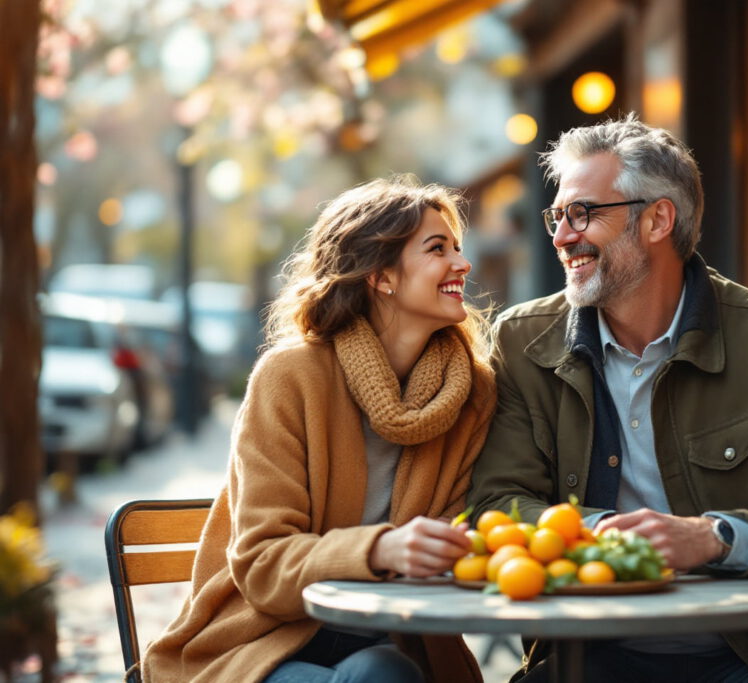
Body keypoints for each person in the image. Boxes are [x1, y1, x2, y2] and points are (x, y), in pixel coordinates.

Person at [468, 114, 748, 683]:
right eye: (557, 216)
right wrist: (606, 538)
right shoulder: (523, 341)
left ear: (658, 220)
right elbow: (496, 502)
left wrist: (712, 538)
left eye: (583, 213)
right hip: (591, 657)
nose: (562, 235)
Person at [143, 176, 496, 683]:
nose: (462, 264)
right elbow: (263, 564)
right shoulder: (290, 377)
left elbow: (460, 535)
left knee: (384, 670)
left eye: (458, 249)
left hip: (393, 639)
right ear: (380, 276)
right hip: (264, 642)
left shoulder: (469, 394)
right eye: (438, 249)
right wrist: (380, 550)